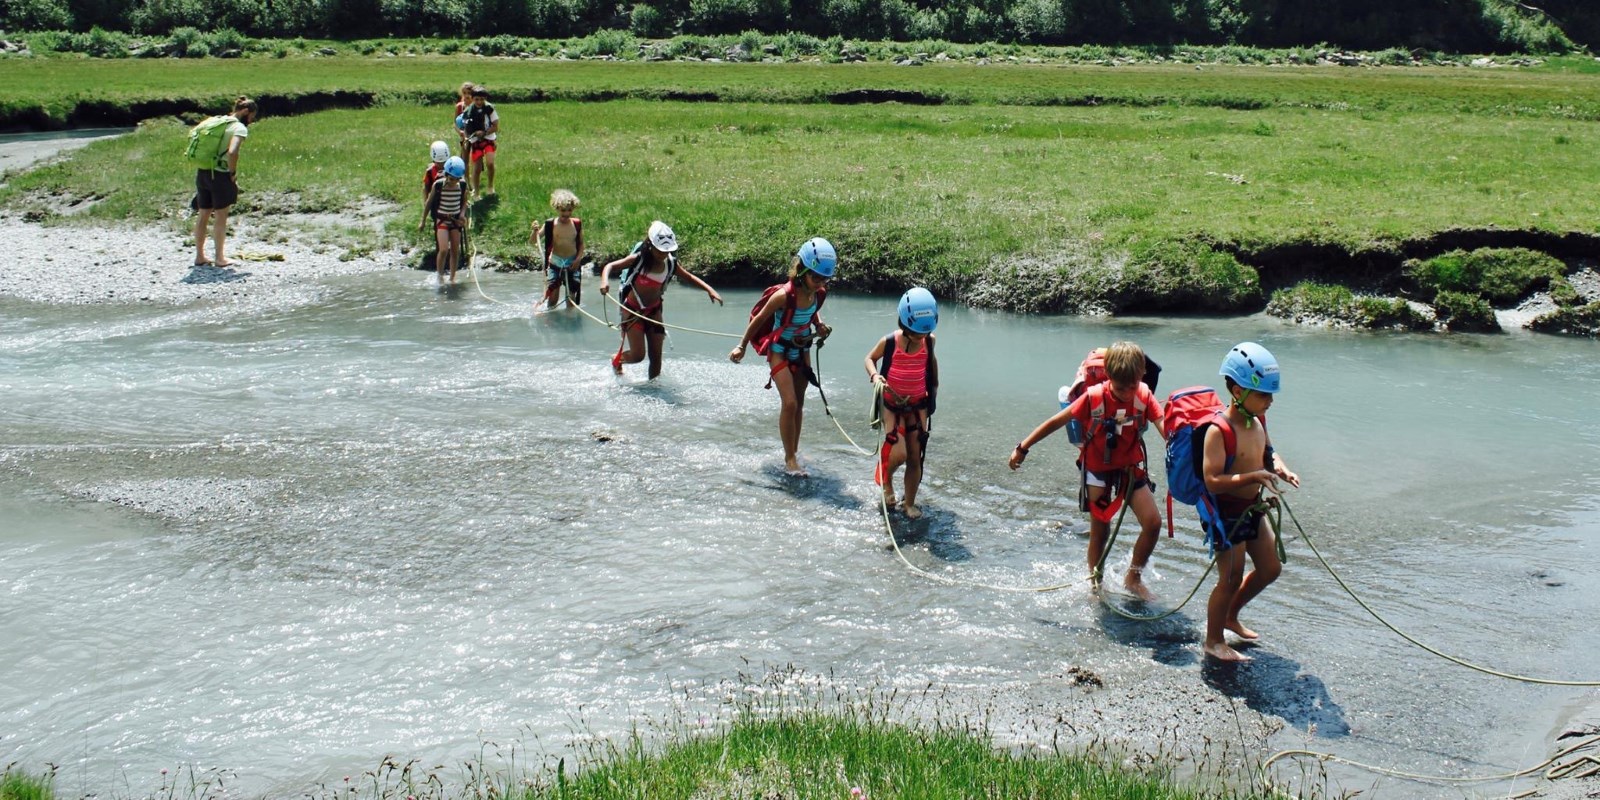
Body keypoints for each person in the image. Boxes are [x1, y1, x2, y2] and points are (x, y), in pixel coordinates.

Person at [1008, 341, 1164, 601]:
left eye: (1132, 385)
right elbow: (1056, 422)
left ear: (1141, 376)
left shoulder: (1144, 395)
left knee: (1153, 523)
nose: (1127, 393)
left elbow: (1164, 426)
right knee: (1100, 530)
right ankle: (1096, 581)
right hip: (1097, 469)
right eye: (1120, 387)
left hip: (1129, 468)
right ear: (1110, 377)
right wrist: (1023, 447)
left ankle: (1133, 578)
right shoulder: (1093, 398)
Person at [1201, 342, 1300, 662]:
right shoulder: (1219, 431)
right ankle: (1213, 641)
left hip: (1251, 509)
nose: (1269, 401)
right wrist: (1252, 477)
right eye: (1263, 395)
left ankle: (1231, 614)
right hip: (1225, 514)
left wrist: (1279, 468)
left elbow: (1268, 452)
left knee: (1271, 567)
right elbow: (1212, 480)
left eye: (1272, 395)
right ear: (1235, 390)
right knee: (1230, 576)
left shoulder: (1258, 420)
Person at [730, 237, 837, 477]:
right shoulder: (783, 296)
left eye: (824, 279)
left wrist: (819, 326)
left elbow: (813, 314)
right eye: (816, 277)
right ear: (802, 271)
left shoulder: (818, 294)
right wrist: (741, 346)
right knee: (789, 403)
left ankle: (795, 451)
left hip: (802, 350)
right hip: (779, 350)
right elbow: (758, 320)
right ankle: (789, 458)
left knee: (799, 403)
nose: (820, 283)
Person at [599, 221, 723, 379]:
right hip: (632, 311)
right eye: (660, 251)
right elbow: (610, 266)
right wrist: (605, 282)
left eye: (667, 251)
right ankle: (617, 360)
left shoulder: (670, 263)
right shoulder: (638, 259)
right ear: (650, 245)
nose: (663, 254)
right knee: (638, 356)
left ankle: (653, 389)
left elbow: (689, 277)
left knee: (656, 357)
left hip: (654, 311)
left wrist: (709, 290)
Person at [864, 287, 940, 518]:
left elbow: (932, 367)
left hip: (918, 406)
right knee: (899, 452)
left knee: (915, 456)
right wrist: (875, 376)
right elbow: (869, 359)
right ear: (904, 324)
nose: (921, 338)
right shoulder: (889, 342)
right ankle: (886, 480)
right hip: (891, 405)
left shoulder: (929, 341)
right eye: (916, 333)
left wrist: (934, 392)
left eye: (923, 333)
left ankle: (909, 503)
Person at [192, 96, 258, 268]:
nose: (251, 120)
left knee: (203, 214)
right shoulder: (238, 128)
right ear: (245, 112)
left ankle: (199, 256)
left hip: (203, 171)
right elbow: (233, 152)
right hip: (220, 175)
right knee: (221, 216)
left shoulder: (217, 121)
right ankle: (220, 258)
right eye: (251, 116)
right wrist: (232, 173)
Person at [419, 156, 469, 284]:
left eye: (457, 179)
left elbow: (464, 202)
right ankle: (440, 275)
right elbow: (429, 204)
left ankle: (452, 278)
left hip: (456, 221)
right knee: (443, 250)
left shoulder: (462, 185)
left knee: (455, 250)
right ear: (446, 175)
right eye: (452, 179)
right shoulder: (438, 185)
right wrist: (423, 221)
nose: (454, 182)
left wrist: (462, 214)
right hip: (442, 220)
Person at [534, 189, 585, 311]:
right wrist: (534, 231)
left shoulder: (576, 224)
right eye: (563, 211)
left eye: (570, 210)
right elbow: (534, 240)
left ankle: (570, 320)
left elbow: (582, 244)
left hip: (572, 263)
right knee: (553, 296)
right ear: (556, 208)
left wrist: (578, 260)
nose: (567, 214)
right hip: (555, 263)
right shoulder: (550, 224)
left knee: (571, 297)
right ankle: (551, 318)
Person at [460, 85, 498, 195]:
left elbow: (496, 126)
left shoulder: (489, 108)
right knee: (476, 168)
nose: (479, 102)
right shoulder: (468, 112)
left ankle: (490, 186)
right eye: (477, 99)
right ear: (472, 99)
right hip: (476, 141)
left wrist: (485, 133)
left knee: (490, 163)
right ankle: (476, 192)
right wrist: (473, 135)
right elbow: (467, 129)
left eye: (482, 99)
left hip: (489, 139)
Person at [423, 140, 449, 205]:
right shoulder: (430, 171)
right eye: (438, 163)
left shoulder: (451, 168)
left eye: (443, 163)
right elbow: (426, 187)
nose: (441, 165)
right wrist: (426, 202)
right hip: (435, 199)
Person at [454, 81, 474, 160]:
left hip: (474, 135)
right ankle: (464, 170)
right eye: (464, 93)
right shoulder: (459, 107)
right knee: (464, 156)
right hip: (464, 136)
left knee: (476, 156)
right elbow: (455, 123)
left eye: (469, 93)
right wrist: (459, 132)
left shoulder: (476, 106)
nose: (467, 95)